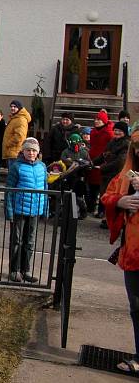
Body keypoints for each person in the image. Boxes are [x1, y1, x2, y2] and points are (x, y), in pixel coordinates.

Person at [101, 131, 139, 375]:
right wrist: (120, 202)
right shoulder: (126, 175)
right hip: (132, 253)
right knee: (136, 307)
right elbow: (107, 195)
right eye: (136, 148)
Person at [5, 138, 47, 283]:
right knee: (17, 240)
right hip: (19, 209)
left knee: (30, 241)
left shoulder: (42, 166)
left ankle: (26, 269)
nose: (31, 153)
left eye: (34, 150)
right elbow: (9, 190)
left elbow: (45, 188)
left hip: (35, 209)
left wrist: (45, 208)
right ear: (23, 151)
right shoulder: (16, 167)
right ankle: (14, 269)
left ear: (38, 152)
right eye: (28, 150)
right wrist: (9, 211)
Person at [93, 121, 130, 223]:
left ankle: (112, 220)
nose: (117, 132)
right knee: (106, 197)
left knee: (114, 198)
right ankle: (107, 218)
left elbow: (119, 163)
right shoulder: (112, 142)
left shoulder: (126, 145)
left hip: (117, 176)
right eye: (115, 130)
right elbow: (103, 155)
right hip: (107, 175)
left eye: (119, 131)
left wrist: (102, 168)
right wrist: (92, 163)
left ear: (125, 132)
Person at [88, 110, 116, 217]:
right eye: (95, 119)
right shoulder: (93, 132)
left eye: (99, 119)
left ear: (104, 121)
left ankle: (101, 210)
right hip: (93, 160)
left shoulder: (109, 133)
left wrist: (105, 161)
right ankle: (91, 207)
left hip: (103, 163)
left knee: (103, 188)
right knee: (92, 186)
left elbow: (110, 150)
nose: (96, 121)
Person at [2, 100, 31, 169]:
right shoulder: (15, 118)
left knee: (13, 175)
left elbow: (19, 137)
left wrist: (8, 144)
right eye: (11, 106)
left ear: (19, 108)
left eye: (15, 107)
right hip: (12, 152)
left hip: (15, 153)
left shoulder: (21, 119)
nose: (12, 108)